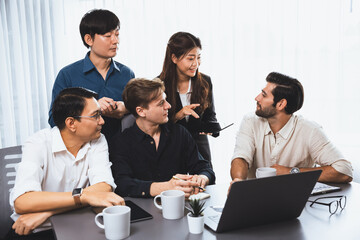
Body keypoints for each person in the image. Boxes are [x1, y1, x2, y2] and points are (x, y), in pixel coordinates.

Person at [7, 88, 124, 240]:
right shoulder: (37, 143)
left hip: (77, 224)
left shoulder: (98, 139)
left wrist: (47, 211)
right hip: (34, 229)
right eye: (95, 115)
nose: (102, 121)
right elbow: (22, 202)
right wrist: (84, 197)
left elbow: (104, 188)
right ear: (71, 123)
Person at [230, 72, 353, 183]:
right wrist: (238, 181)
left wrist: (290, 172)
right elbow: (241, 157)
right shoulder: (250, 121)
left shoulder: (309, 130)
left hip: (298, 203)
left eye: (264, 95)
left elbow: (344, 171)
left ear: (281, 104)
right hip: (255, 199)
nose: (257, 98)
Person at [109, 78, 215, 198]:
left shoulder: (180, 133)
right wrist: (166, 187)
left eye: (166, 100)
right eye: (161, 103)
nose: (168, 106)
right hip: (141, 210)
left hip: (179, 207)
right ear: (141, 111)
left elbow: (205, 168)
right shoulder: (121, 142)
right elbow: (122, 184)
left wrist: (202, 178)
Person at [48, 9, 135, 142]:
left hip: (122, 150)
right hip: (83, 151)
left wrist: (126, 108)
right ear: (89, 39)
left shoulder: (127, 73)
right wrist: (93, 108)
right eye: (108, 36)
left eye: (117, 34)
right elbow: (55, 120)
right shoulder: (67, 75)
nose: (115, 41)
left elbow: (141, 110)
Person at [159, 32, 219, 163]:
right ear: (174, 58)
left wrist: (212, 128)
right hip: (171, 151)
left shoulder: (205, 81)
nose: (196, 64)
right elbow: (155, 127)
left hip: (200, 151)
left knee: (205, 182)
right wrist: (178, 115)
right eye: (190, 58)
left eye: (198, 58)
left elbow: (210, 116)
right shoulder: (159, 86)